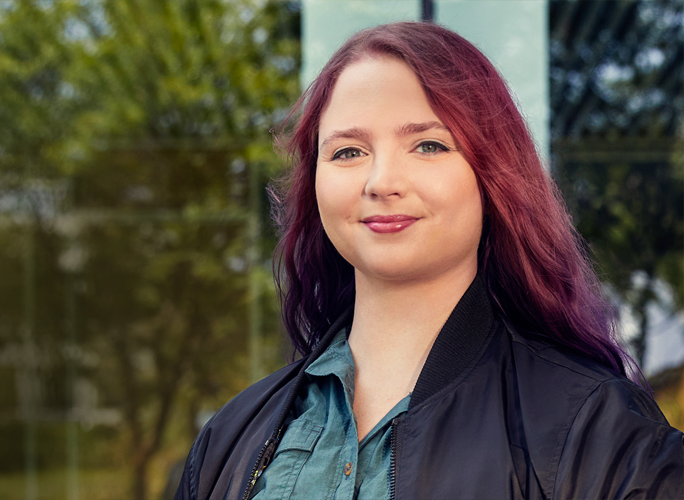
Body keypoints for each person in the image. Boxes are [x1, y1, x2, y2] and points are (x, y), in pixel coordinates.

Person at [174, 22, 683, 500]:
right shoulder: (229, 440)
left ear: (493, 175)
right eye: (348, 152)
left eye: (428, 144)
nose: (382, 182)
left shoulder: (595, 430)